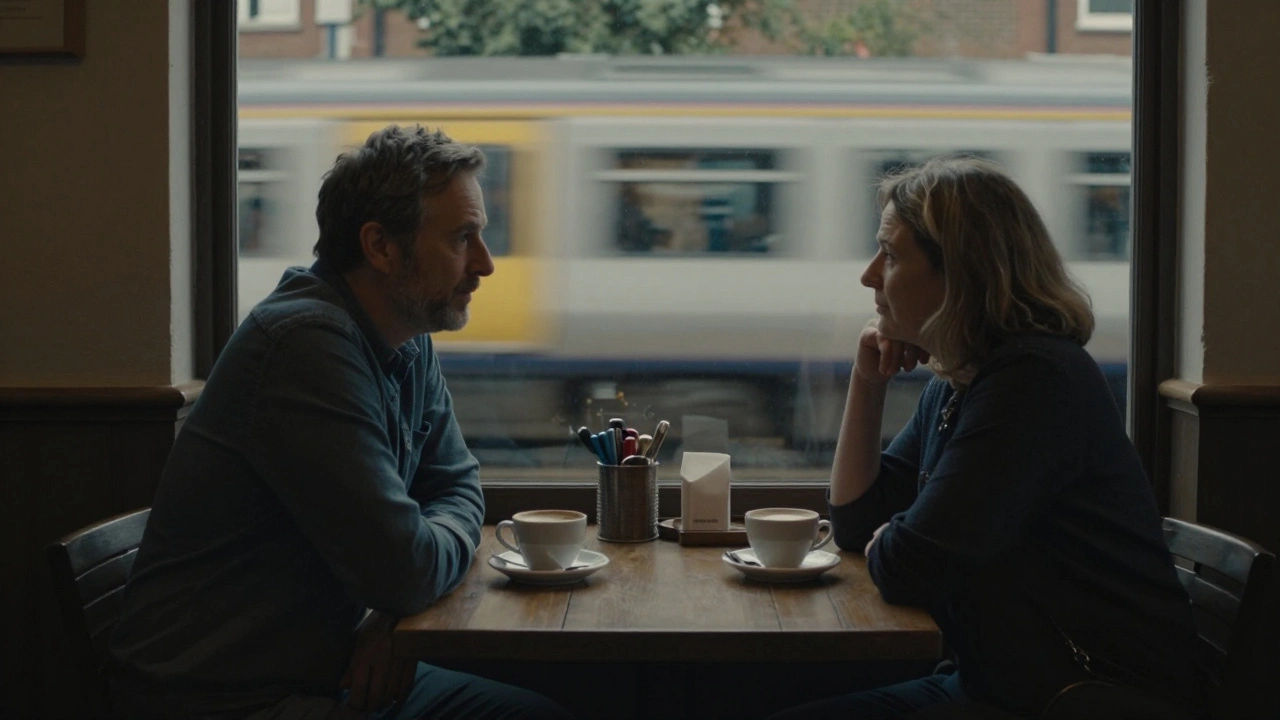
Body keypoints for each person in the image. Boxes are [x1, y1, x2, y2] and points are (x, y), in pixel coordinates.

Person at [108, 125, 572, 720]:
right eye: (463, 238)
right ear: (381, 246)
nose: (484, 264)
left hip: (325, 668)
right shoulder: (305, 345)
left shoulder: (404, 333)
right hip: (227, 698)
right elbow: (406, 568)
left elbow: (457, 488)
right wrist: (399, 590)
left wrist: (390, 612)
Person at [771, 157, 1205, 719]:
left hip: (1083, 698)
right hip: (1001, 683)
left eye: (893, 255)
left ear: (960, 274)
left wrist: (897, 543)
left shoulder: (1036, 381)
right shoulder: (965, 377)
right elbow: (858, 525)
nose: (870, 275)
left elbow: (910, 568)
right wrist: (866, 381)